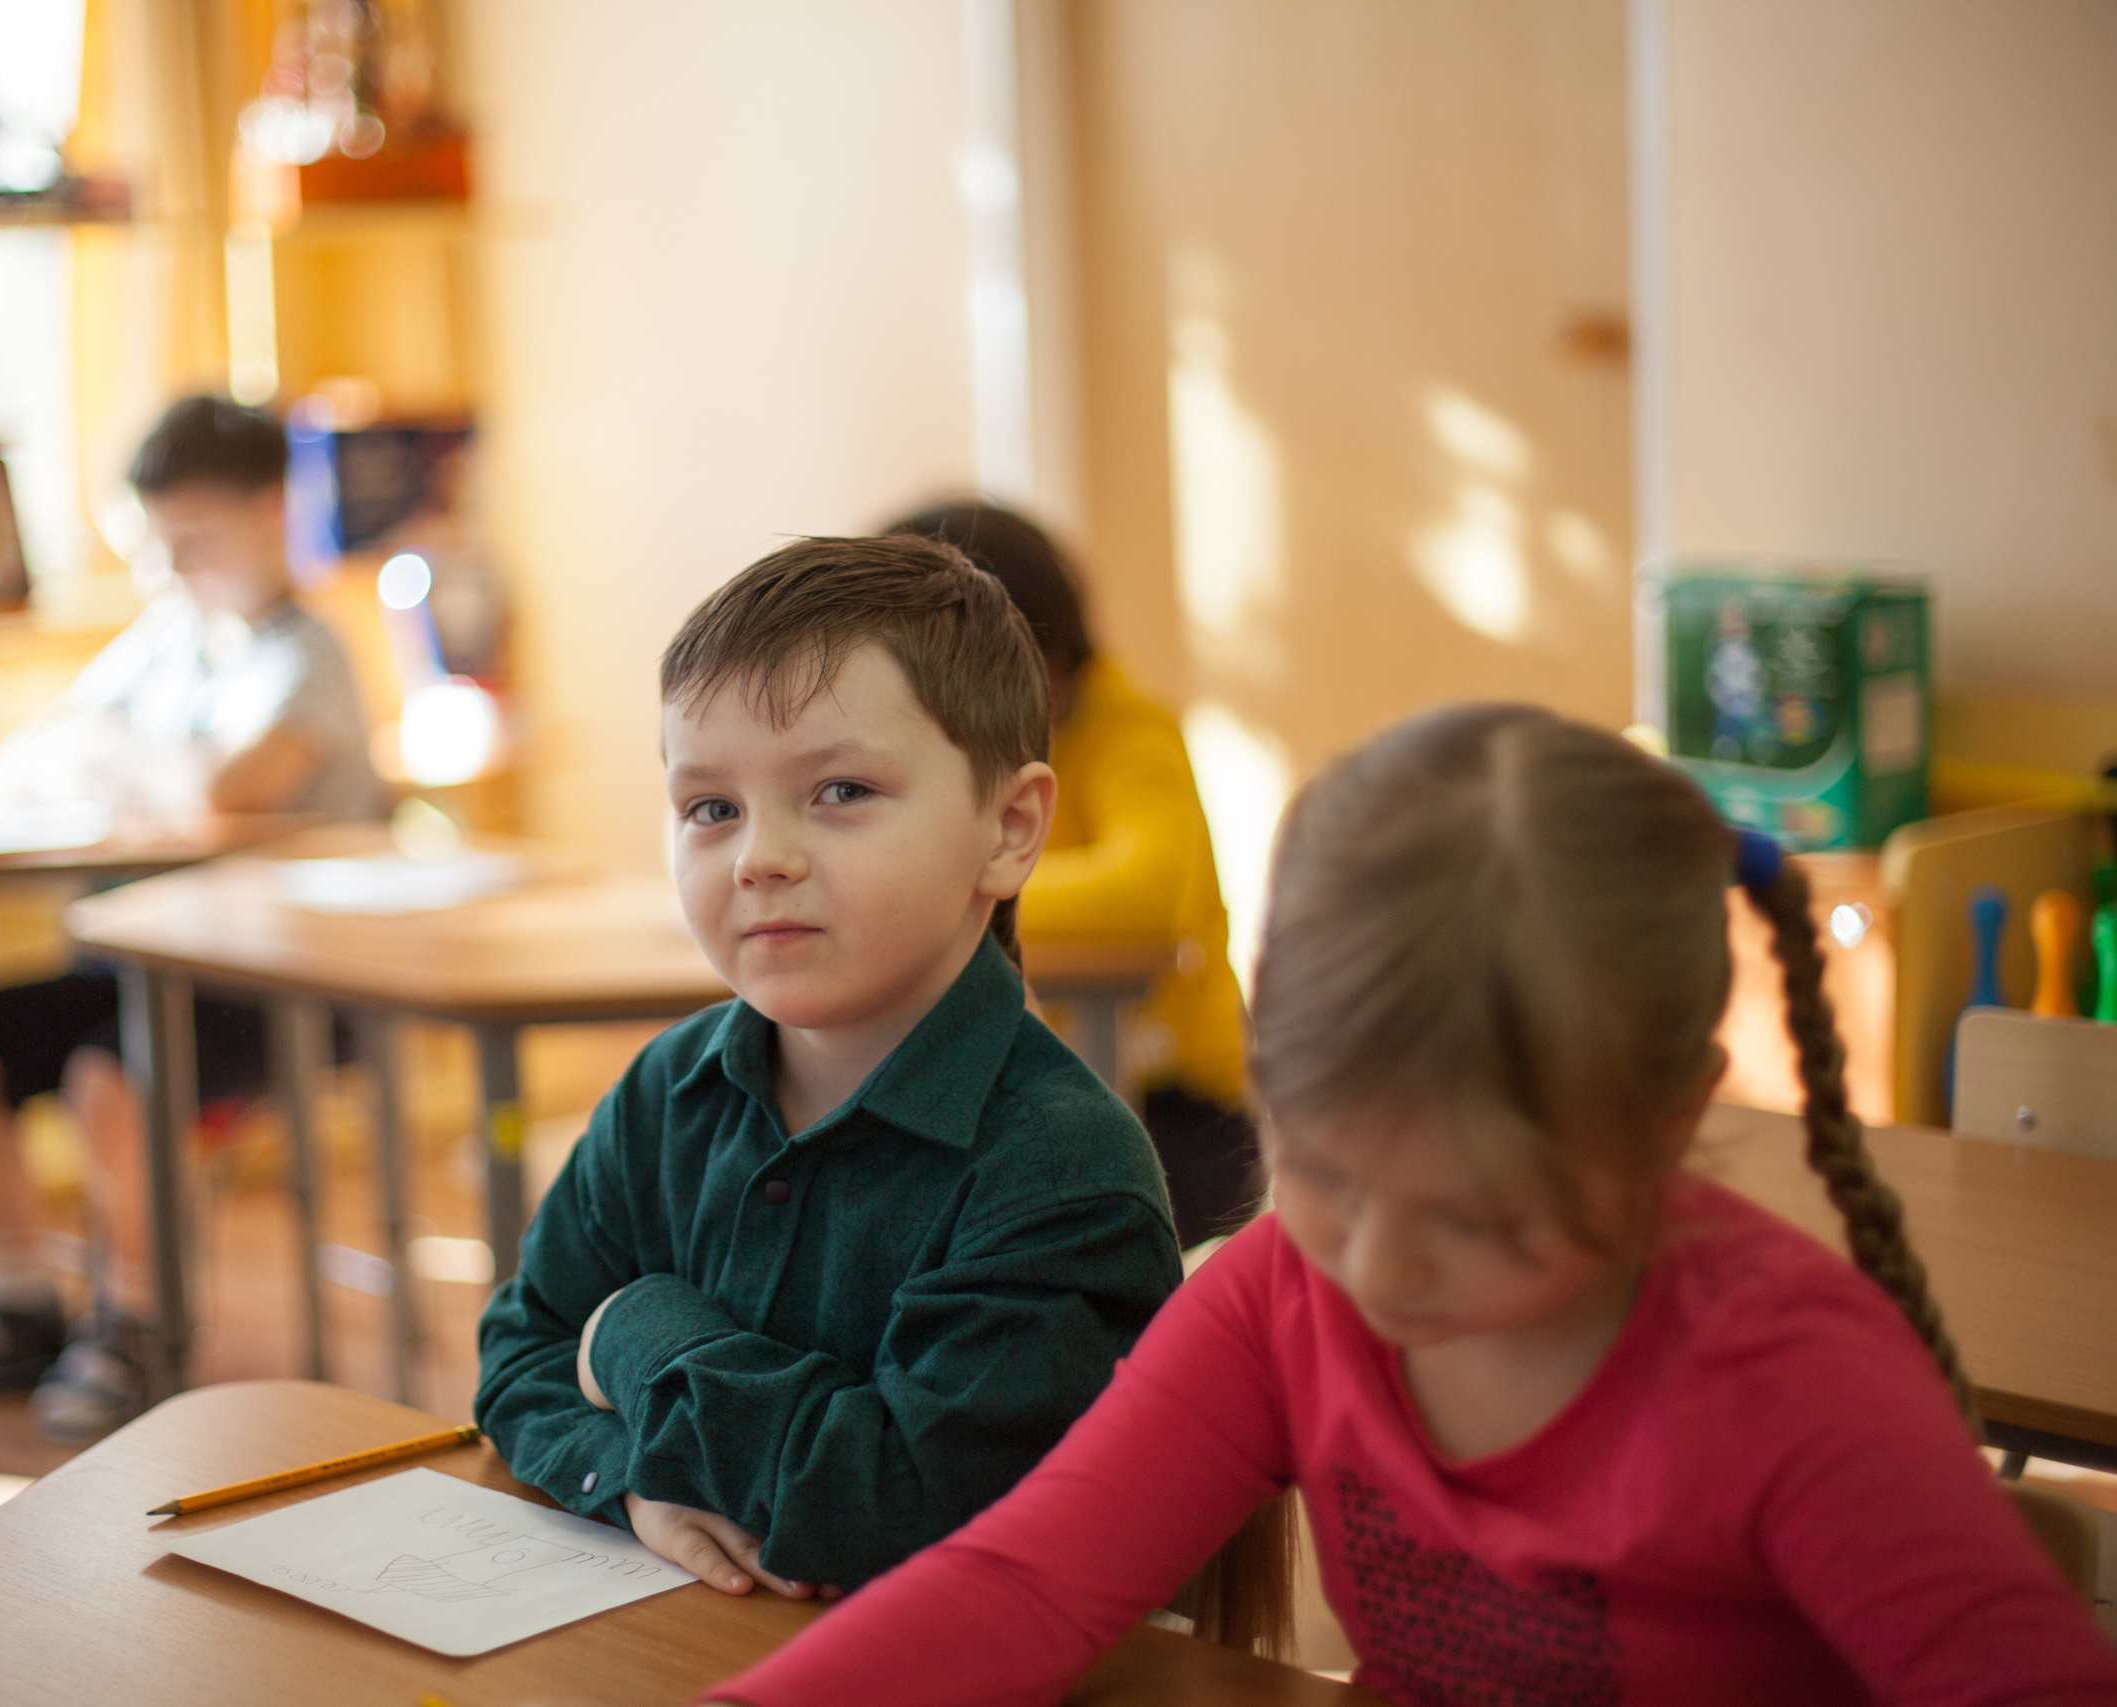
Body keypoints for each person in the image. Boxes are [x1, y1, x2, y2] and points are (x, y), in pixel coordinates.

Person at [710, 705, 2117, 1705]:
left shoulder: (1786, 1379)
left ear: (1674, 1118)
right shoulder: (1277, 1292)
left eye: (1482, 1215)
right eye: (1321, 1168)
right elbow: (1025, 1585)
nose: (1380, 1266)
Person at [475, 535, 1181, 1598]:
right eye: (710, 809)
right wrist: (632, 1480)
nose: (761, 855)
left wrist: (633, 1326)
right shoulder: (668, 1093)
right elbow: (519, 1355)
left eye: (841, 791)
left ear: (1010, 828)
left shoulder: (1063, 1170)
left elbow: (893, 1507)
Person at [0, 395, 388, 1441]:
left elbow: (228, 789)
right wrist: (143, 763)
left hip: (281, 985)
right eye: (152, 549)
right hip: (143, 967)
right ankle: (18, 1295)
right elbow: (39, 752)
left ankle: (141, 1324)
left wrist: (130, 759)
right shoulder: (167, 642)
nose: (168, 573)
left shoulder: (307, 654)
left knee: (114, 1070)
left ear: (271, 512)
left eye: (190, 544)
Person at [888, 502, 1255, 1244]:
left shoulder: (1126, 726)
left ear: (1038, 658)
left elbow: (1146, 896)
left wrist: (924, 889)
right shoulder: (927, 749)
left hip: (1176, 1105)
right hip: (1028, 1084)